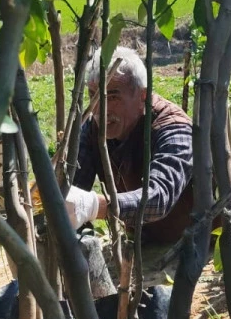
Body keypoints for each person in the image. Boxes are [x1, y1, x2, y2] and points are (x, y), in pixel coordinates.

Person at [63, 46, 194, 293]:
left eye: (112, 96)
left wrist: (92, 206)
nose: (101, 109)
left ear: (143, 96)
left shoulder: (173, 128)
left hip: (192, 249)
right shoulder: (92, 127)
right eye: (93, 96)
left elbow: (159, 198)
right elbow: (73, 183)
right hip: (142, 247)